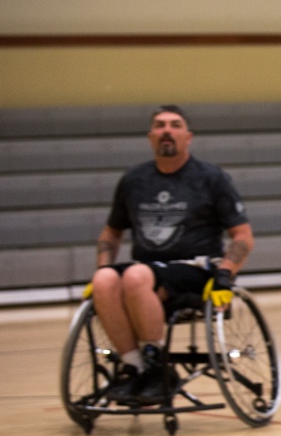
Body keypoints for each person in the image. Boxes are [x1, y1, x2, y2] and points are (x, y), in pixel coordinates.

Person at [88, 105, 254, 405]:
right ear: (150, 136)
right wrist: (102, 266)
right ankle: (133, 366)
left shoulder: (211, 178)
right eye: (160, 125)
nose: (167, 130)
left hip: (195, 269)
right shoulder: (134, 180)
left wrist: (226, 273)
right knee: (104, 280)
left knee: (137, 276)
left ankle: (156, 366)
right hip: (148, 269)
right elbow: (111, 233)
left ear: (187, 137)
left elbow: (242, 237)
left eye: (175, 125)